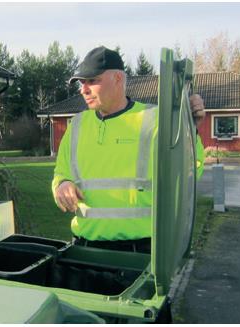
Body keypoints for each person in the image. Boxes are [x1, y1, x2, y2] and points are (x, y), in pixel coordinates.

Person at [52, 46, 205, 253]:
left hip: (141, 253)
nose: (83, 89)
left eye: (92, 81)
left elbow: (189, 173)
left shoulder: (155, 120)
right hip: (84, 249)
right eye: (82, 83)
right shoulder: (77, 125)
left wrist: (190, 129)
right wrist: (62, 185)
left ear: (117, 79)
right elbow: (61, 173)